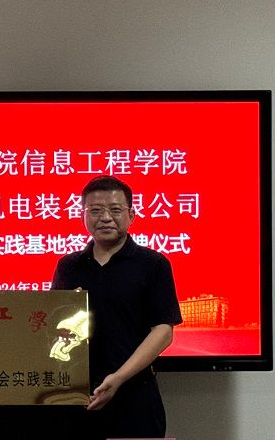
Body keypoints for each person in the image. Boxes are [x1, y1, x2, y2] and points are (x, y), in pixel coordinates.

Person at [52, 175, 182, 439]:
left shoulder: (153, 264)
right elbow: (54, 324)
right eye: (95, 210)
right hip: (76, 397)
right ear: (83, 215)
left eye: (115, 209)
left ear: (131, 215)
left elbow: (163, 331)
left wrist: (119, 377)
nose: (105, 218)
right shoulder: (69, 266)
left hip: (135, 395)